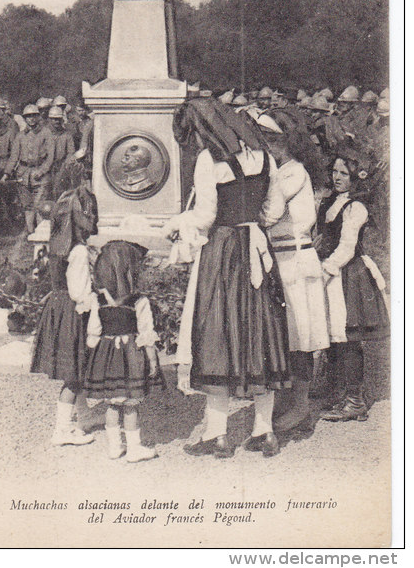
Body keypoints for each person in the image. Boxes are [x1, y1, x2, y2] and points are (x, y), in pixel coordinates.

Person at [163, 97, 290, 459]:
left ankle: (217, 434)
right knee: (263, 331)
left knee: (216, 331)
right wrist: (256, 225)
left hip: (223, 251)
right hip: (257, 248)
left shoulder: (210, 161)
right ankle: (264, 431)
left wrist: (176, 224)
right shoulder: (265, 157)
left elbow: (204, 216)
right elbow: (275, 209)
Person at [261, 109, 330, 432]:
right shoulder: (284, 171)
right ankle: (292, 402)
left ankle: (301, 406)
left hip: (295, 261)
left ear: (282, 142)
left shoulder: (291, 172)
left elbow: (270, 214)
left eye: (269, 139)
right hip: (283, 260)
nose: (264, 145)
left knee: (300, 338)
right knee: (287, 337)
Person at [316, 148, 390, 421]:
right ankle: (336, 391)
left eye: (344, 173)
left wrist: (326, 269)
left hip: (349, 274)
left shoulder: (355, 207)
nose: (337, 177)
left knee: (348, 339)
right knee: (334, 337)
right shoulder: (330, 202)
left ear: (355, 178)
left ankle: (355, 400)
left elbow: (347, 247)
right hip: (332, 272)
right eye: (334, 171)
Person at [30, 180, 100, 445]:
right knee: (74, 374)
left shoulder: (58, 246)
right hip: (74, 312)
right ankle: (62, 430)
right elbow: (81, 292)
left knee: (76, 368)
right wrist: (97, 304)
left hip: (57, 310)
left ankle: (84, 415)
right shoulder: (80, 251)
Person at [84, 241, 162, 462]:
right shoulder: (139, 301)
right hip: (131, 355)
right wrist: (153, 361)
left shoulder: (97, 299)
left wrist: (92, 357)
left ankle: (114, 447)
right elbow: (147, 334)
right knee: (130, 404)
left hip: (106, 355)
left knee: (111, 402)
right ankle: (134, 449)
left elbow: (93, 331)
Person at [2, 104, 55, 235]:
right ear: (24, 118)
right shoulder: (20, 136)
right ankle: (30, 231)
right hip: (24, 174)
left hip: (41, 173)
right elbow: (14, 157)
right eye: (28, 116)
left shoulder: (46, 133)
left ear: (38, 117)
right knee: (27, 205)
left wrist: (42, 171)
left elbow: (51, 156)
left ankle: (41, 232)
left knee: (41, 205)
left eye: (33, 116)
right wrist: (6, 174)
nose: (31, 119)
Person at [48, 106, 75, 199]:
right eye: (54, 119)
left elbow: (71, 152)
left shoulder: (67, 135)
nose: (57, 121)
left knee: (59, 193)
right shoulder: (44, 134)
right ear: (50, 119)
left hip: (60, 167)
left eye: (58, 119)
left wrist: (65, 166)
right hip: (45, 168)